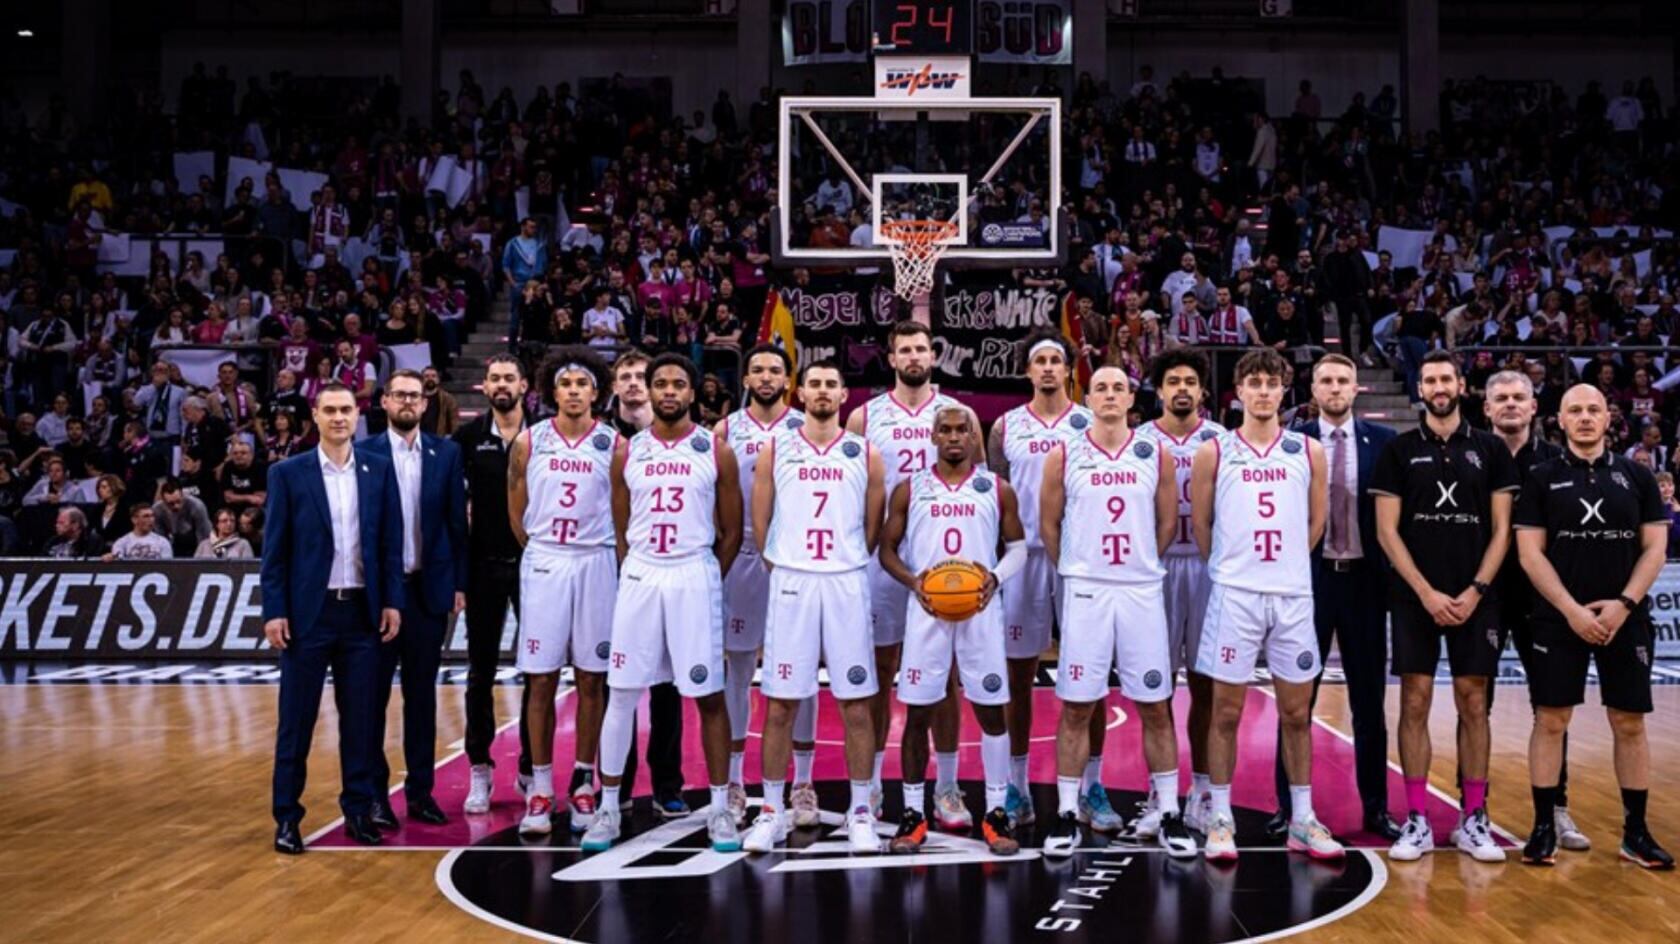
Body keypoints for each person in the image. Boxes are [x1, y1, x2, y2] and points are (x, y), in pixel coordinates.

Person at [584, 353, 744, 852]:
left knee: (708, 695)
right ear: (648, 392)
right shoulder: (625, 452)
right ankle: (609, 808)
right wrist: (641, 569)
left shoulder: (715, 449)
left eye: (678, 383)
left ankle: (720, 809)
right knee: (623, 692)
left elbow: (733, 530)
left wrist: (703, 576)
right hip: (642, 575)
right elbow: (620, 524)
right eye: (661, 383)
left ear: (693, 393)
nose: (669, 391)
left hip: (693, 571)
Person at [1189, 348, 1340, 862]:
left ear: (1283, 390)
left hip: (1293, 596)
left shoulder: (1307, 451)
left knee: (1297, 713)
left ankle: (1302, 817)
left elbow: (1315, 525)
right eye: (1252, 383)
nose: (1262, 392)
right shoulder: (1215, 450)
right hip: (1236, 595)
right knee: (1225, 712)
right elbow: (1203, 525)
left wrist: (1287, 566)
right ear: (1238, 390)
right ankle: (1221, 817)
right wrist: (1231, 570)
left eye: (1270, 383)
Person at [1039, 365, 1194, 859]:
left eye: (1118, 388)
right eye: (1101, 388)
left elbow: (1167, 524)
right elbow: (1050, 524)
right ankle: (1067, 811)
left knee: (1154, 704)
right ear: (1088, 398)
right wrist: (1078, 567)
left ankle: (1170, 811)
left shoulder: (1155, 452)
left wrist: (1138, 560)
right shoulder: (1063, 454)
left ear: (1132, 399)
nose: (1109, 395)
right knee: (1077, 705)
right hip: (1086, 590)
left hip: (1140, 590)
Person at [1515, 384, 1671, 870]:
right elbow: (1530, 554)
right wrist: (1572, 610)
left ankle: (1635, 833)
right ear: (1560, 420)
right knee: (1551, 720)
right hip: (1559, 619)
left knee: (1629, 722)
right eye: (1575, 411)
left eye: (1593, 410)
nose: (1585, 418)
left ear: (1609, 418)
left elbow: (1655, 549)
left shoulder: (1637, 477)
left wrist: (1623, 605)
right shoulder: (1540, 478)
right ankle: (1544, 828)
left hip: (1625, 619)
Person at [1370, 350, 1515, 862]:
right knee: (1415, 701)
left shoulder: (1492, 449)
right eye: (1428, 378)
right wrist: (1426, 592)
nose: (1437, 386)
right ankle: (1416, 819)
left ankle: (1473, 818)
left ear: (1460, 385)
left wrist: (1475, 589)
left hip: (1478, 596)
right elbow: (1387, 531)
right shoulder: (1399, 450)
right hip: (1416, 598)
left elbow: (1503, 529)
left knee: (1474, 702)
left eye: (1444, 378)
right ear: (1420, 388)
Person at [742, 360, 884, 854]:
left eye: (831, 383)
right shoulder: (776, 446)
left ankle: (861, 810)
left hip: (845, 582)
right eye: (815, 384)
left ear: (844, 393)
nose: (823, 391)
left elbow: (872, 526)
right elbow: (760, 521)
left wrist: (843, 562)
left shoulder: (864, 450)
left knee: (856, 704)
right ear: (799, 392)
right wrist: (784, 562)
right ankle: (771, 810)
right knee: (780, 702)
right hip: (794, 582)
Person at [263, 382, 405, 854]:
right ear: (315, 414)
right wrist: (275, 610)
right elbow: (275, 552)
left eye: (346, 409)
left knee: (362, 722)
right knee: (295, 722)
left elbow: (389, 544)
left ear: (358, 414)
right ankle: (287, 817)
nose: (339, 417)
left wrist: (392, 602)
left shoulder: (378, 470)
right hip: (309, 615)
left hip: (362, 611)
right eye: (330, 410)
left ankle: (358, 809)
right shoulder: (288, 473)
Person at [879, 405, 1026, 857]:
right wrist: (914, 581)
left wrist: (995, 578)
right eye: (945, 430)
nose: (955, 437)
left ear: (975, 438)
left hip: (980, 611)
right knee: (918, 714)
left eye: (964, 429)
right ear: (933, 436)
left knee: (991, 713)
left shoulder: (995, 488)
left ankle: (997, 811)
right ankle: (912, 813)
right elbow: (886, 549)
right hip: (927, 613)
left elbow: (1018, 546)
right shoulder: (910, 488)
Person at [987, 331, 1119, 834]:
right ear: (1027, 370)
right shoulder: (1005, 427)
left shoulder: (1089, 422)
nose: (1047, 368)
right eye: (1038, 361)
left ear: (1068, 370)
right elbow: (998, 494)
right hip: (1024, 558)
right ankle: (1018, 785)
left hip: (1079, 559)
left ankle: (1092, 786)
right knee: (1018, 676)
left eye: (1055, 361)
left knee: (1089, 676)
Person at [1266, 355, 1399, 841]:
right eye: (1326, 380)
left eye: (1343, 380)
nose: (1335, 387)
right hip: (1310, 582)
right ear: (1313, 388)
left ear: (1357, 388)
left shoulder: (1384, 443)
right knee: (1297, 702)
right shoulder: (1291, 443)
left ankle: (1377, 808)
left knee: (1369, 704)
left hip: (1366, 582)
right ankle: (1287, 805)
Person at [845, 321, 969, 819]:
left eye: (921, 348)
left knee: (947, 676)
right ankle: (872, 781)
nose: (914, 356)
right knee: (878, 669)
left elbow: (974, 484)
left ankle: (948, 785)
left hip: (944, 562)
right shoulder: (864, 417)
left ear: (932, 356)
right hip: (882, 558)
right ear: (891, 358)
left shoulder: (956, 416)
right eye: (905, 350)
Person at [506, 349, 620, 836]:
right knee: (542, 679)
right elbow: (516, 513)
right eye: (566, 383)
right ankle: (539, 787)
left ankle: (582, 781)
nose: (574, 390)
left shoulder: (615, 444)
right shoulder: (529, 442)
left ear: (597, 392)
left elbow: (623, 511)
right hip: (547, 559)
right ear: (552, 390)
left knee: (593, 680)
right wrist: (543, 552)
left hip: (596, 560)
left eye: (583, 383)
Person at [715, 344, 818, 829]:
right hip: (745, 555)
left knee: (802, 672)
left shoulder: (806, 428)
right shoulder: (725, 430)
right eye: (757, 369)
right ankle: (735, 781)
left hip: (795, 560)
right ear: (746, 378)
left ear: (788, 378)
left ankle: (803, 782)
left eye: (774, 369)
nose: (765, 376)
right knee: (737, 668)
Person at [1485, 369, 1588, 850]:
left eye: (1518, 397)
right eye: (1501, 397)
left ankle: (1556, 809)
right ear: (1486, 407)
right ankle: (1474, 807)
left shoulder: (1557, 461)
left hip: (1542, 600)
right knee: (1474, 705)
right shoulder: (1472, 457)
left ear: (1533, 407)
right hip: (1484, 597)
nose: (1510, 404)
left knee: (1550, 707)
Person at [361, 370, 468, 830]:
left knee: (422, 698)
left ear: (426, 404)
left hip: (428, 591)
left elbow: (456, 526)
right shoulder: (363, 453)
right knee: (371, 698)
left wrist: (458, 584)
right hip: (380, 594)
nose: (407, 402)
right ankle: (374, 795)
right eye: (399, 395)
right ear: (384, 402)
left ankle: (421, 792)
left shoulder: (446, 453)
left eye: (415, 396)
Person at [1136, 350, 1225, 831]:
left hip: (1210, 569)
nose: (1183, 389)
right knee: (1157, 687)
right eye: (1173, 381)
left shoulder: (1222, 441)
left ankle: (1206, 790)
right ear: (1159, 389)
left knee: (1208, 683)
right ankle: (1160, 788)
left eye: (1191, 380)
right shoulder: (1140, 442)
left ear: (1203, 390)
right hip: (1159, 568)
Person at [606, 349, 686, 816]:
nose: (635, 383)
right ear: (614, 385)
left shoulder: (682, 439)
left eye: (643, 375)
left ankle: (667, 783)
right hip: (617, 572)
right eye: (627, 376)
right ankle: (614, 786)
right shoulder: (604, 440)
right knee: (619, 686)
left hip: (669, 572)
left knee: (668, 685)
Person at [452, 354, 533, 813]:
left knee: (536, 674)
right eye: (494, 378)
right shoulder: (466, 439)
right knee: (479, 673)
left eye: (509, 377)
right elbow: (451, 514)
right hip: (483, 567)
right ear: (483, 387)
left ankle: (529, 766)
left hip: (533, 567)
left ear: (523, 384)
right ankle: (479, 768)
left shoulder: (543, 434)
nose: (502, 385)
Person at [106, 504, 174, 560]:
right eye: (146, 516)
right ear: (134, 520)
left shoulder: (162, 542)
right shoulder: (122, 542)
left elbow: (167, 567)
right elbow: (117, 559)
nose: (151, 520)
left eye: (152, 516)